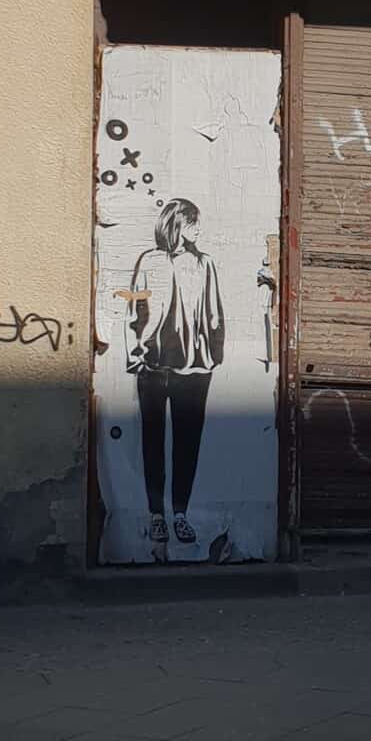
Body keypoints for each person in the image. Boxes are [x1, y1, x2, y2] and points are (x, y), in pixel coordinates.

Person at [126, 197, 225, 554]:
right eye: (192, 222)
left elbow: (215, 312)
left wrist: (214, 356)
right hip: (153, 366)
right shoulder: (149, 261)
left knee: (187, 443)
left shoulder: (204, 263)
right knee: (152, 442)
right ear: (176, 225)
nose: (199, 229)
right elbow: (134, 310)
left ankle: (180, 513)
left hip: (194, 368)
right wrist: (134, 355)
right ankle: (157, 514)